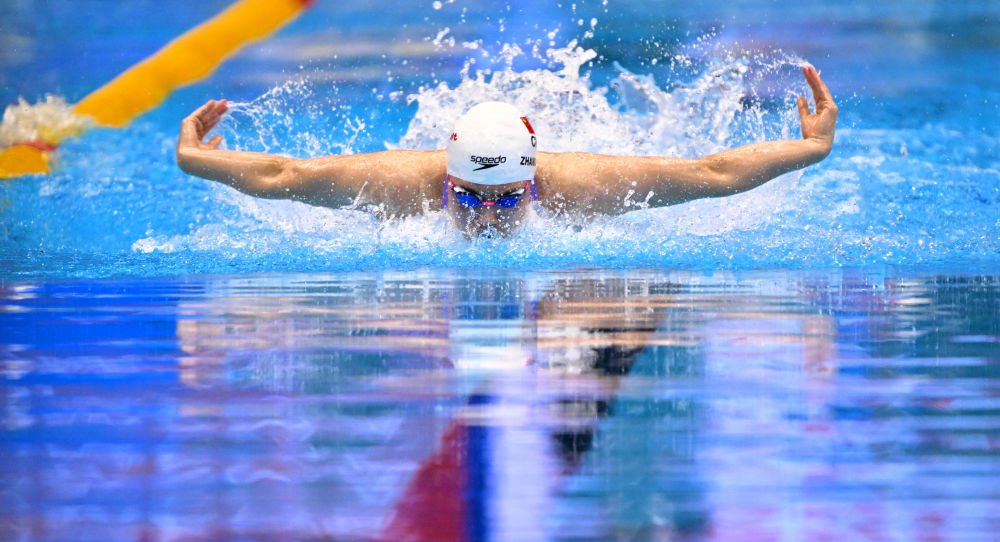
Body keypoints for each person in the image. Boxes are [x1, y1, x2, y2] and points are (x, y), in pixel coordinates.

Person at [177, 66, 837, 239]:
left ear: (533, 186)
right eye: (467, 197)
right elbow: (284, 174)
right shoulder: (400, 184)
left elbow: (710, 174)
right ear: (444, 180)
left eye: (506, 199)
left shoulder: (577, 188)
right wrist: (192, 158)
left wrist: (811, 149)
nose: (487, 217)